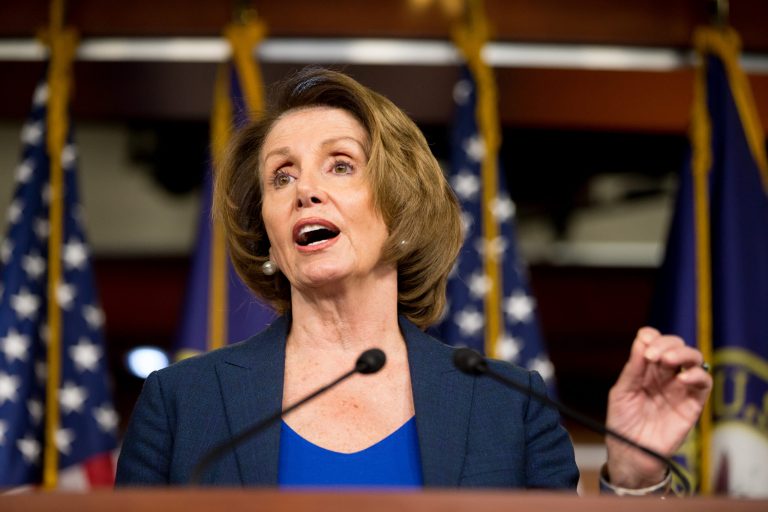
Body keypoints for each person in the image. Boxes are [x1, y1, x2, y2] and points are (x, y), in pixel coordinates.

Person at [115, 68, 712, 491]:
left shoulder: (509, 406)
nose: (306, 190)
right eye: (281, 177)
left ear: (401, 210)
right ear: (267, 233)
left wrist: (635, 480)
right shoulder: (183, 404)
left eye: (341, 164)